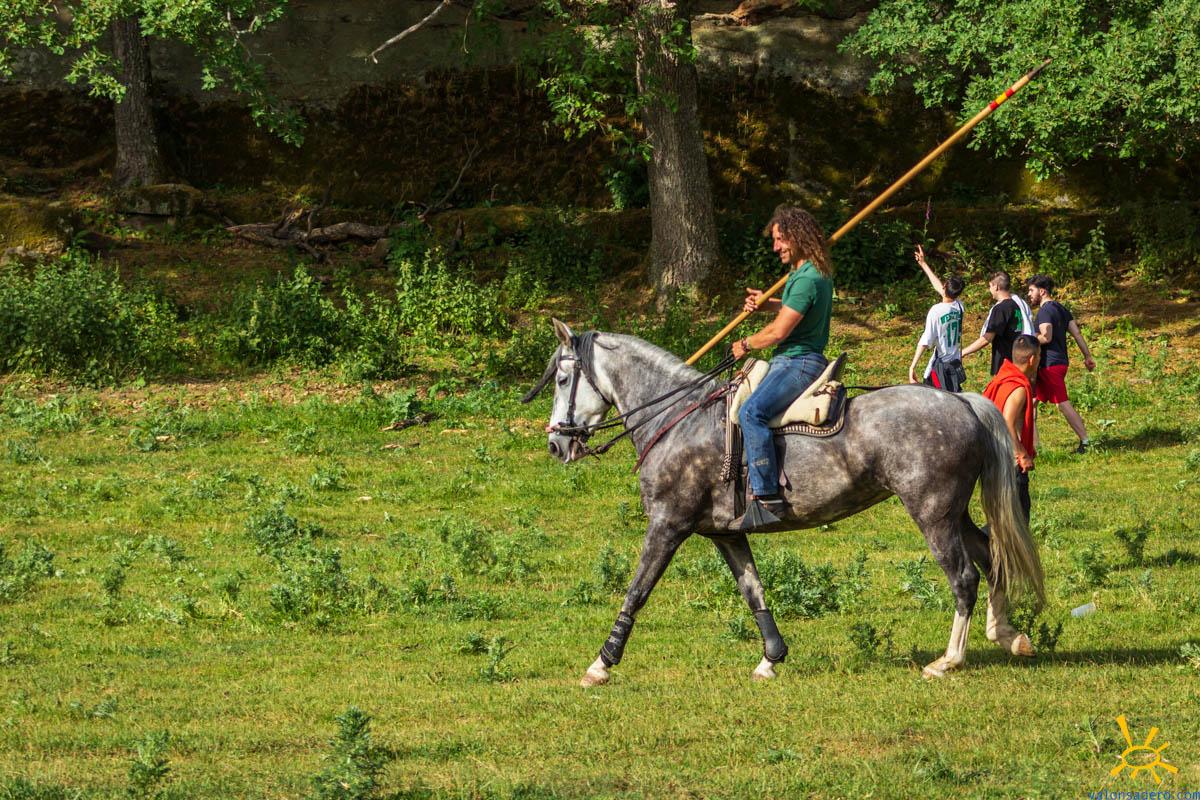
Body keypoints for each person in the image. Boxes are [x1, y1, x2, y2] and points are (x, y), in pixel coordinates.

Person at [730, 205, 834, 530]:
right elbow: (793, 310)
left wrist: (746, 343)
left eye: (780, 239)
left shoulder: (807, 279)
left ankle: (766, 498)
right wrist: (769, 304)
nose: (776, 247)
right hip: (792, 358)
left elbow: (779, 332)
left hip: (798, 361)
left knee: (751, 413)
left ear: (797, 236)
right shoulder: (806, 274)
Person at [1026, 274, 1097, 453]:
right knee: (1030, 403)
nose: (1029, 294)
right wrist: (1087, 356)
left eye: (1031, 290)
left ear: (1042, 291)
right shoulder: (1061, 309)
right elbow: (1077, 333)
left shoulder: (1045, 311)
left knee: (1062, 403)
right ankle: (1033, 447)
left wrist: (1025, 339)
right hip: (1059, 362)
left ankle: (1086, 442)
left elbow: (1046, 336)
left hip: (1049, 365)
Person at [982, 334, 1040, 523]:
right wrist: (1022, 454)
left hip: (994, 457)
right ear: (1032, 359)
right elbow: (1006, 422)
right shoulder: (1018, 388)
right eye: (1039, 356)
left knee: (1001, 519)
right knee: (1018, 520)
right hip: (1010, 463)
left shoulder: (1001, 378)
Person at [908, 245, 966, 391]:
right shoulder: (960, 306)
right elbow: (940, 288)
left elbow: (926, 340)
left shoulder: (936, 311)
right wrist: (923, 264)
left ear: (945, 286)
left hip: (939, 369)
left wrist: (912, 366)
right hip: (954, 364)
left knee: (930, 398)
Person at [961, 270, 1035, 376]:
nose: (990, 290)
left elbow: (987, 338)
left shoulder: (1000, 309)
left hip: (1005, 365)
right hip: (1016, 363)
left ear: (996, 287)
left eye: (990, 286)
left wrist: (963, 352)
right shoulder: (1015, 305)